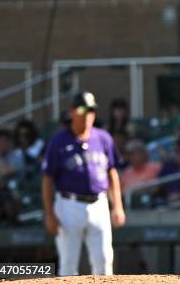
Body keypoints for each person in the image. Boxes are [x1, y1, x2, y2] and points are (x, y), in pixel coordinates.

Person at [41, 92, 125, 276]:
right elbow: (47, 179)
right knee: (68, 265)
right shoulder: (59, 141)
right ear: (72, 112)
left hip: (99, 204)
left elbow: (112, 173)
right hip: (68, 205)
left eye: (91, 110)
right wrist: (49, 215)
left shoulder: (103, 138)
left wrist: (117, 205)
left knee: (104, 261)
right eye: (82, 109)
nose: (87, 115)